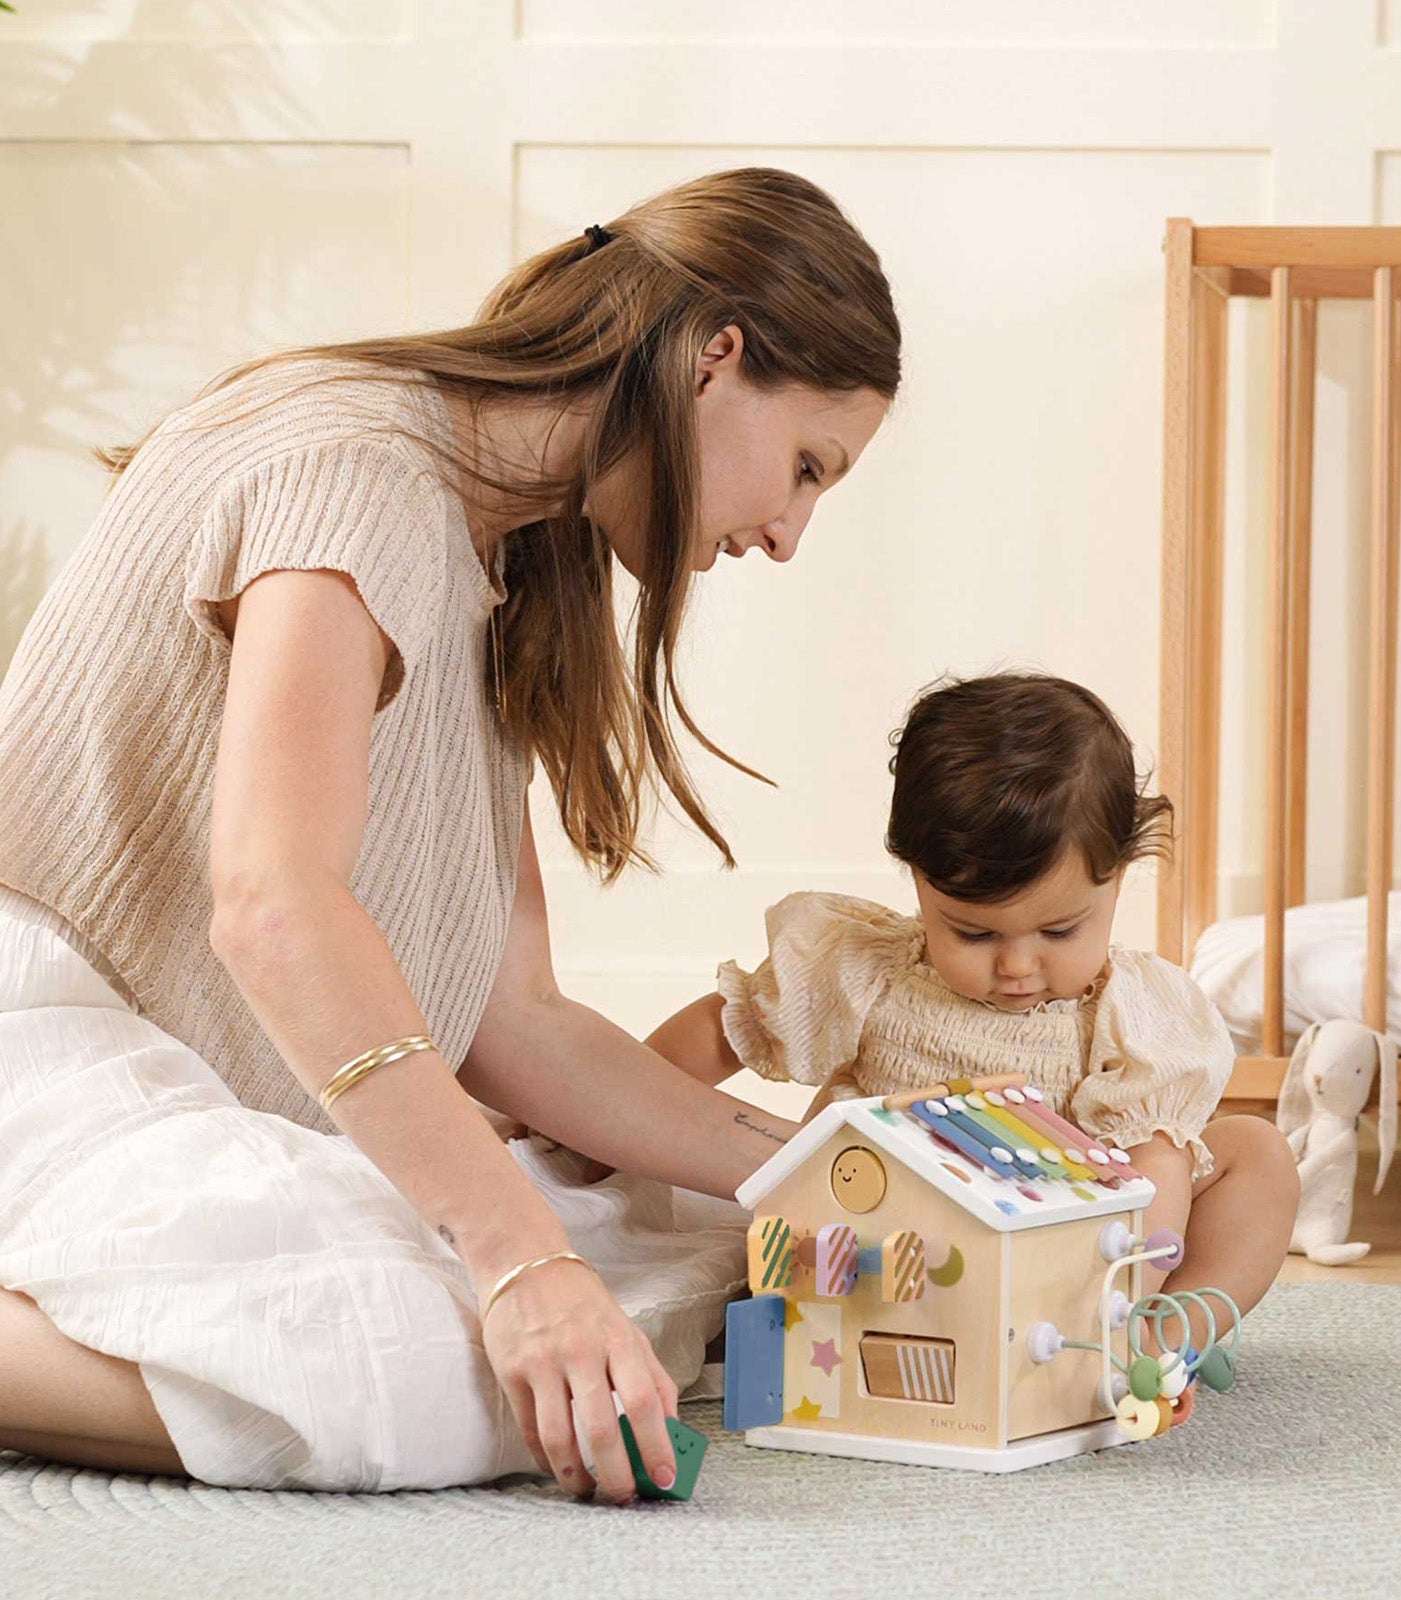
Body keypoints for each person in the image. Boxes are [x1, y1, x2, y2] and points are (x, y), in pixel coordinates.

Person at [0, 167, 898, 1496]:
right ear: (718, 361)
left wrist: (819, 1167)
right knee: (451, 1364)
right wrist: (521, 1262)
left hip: (180, 1063)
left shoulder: (509, 554)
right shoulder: (354, 472)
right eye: (808, 465)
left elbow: (513, 1017)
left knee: (689, 1245)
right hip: (50, 1026)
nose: (788, 532)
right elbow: (271, 903)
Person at [647, 673, 1301, 1357]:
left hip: (1077, 1268)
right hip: (893, 1256)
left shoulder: (1133, 1011)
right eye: (974, 934)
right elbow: (725, 1026)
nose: (1017, 967)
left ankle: (1151, 1342)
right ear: (919, 879)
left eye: (1058, 932)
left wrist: (1128, 1284)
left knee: (1258, 1154)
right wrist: (588, 1128)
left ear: (1118, 876)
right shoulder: (871, 973)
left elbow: (1156, 1157)